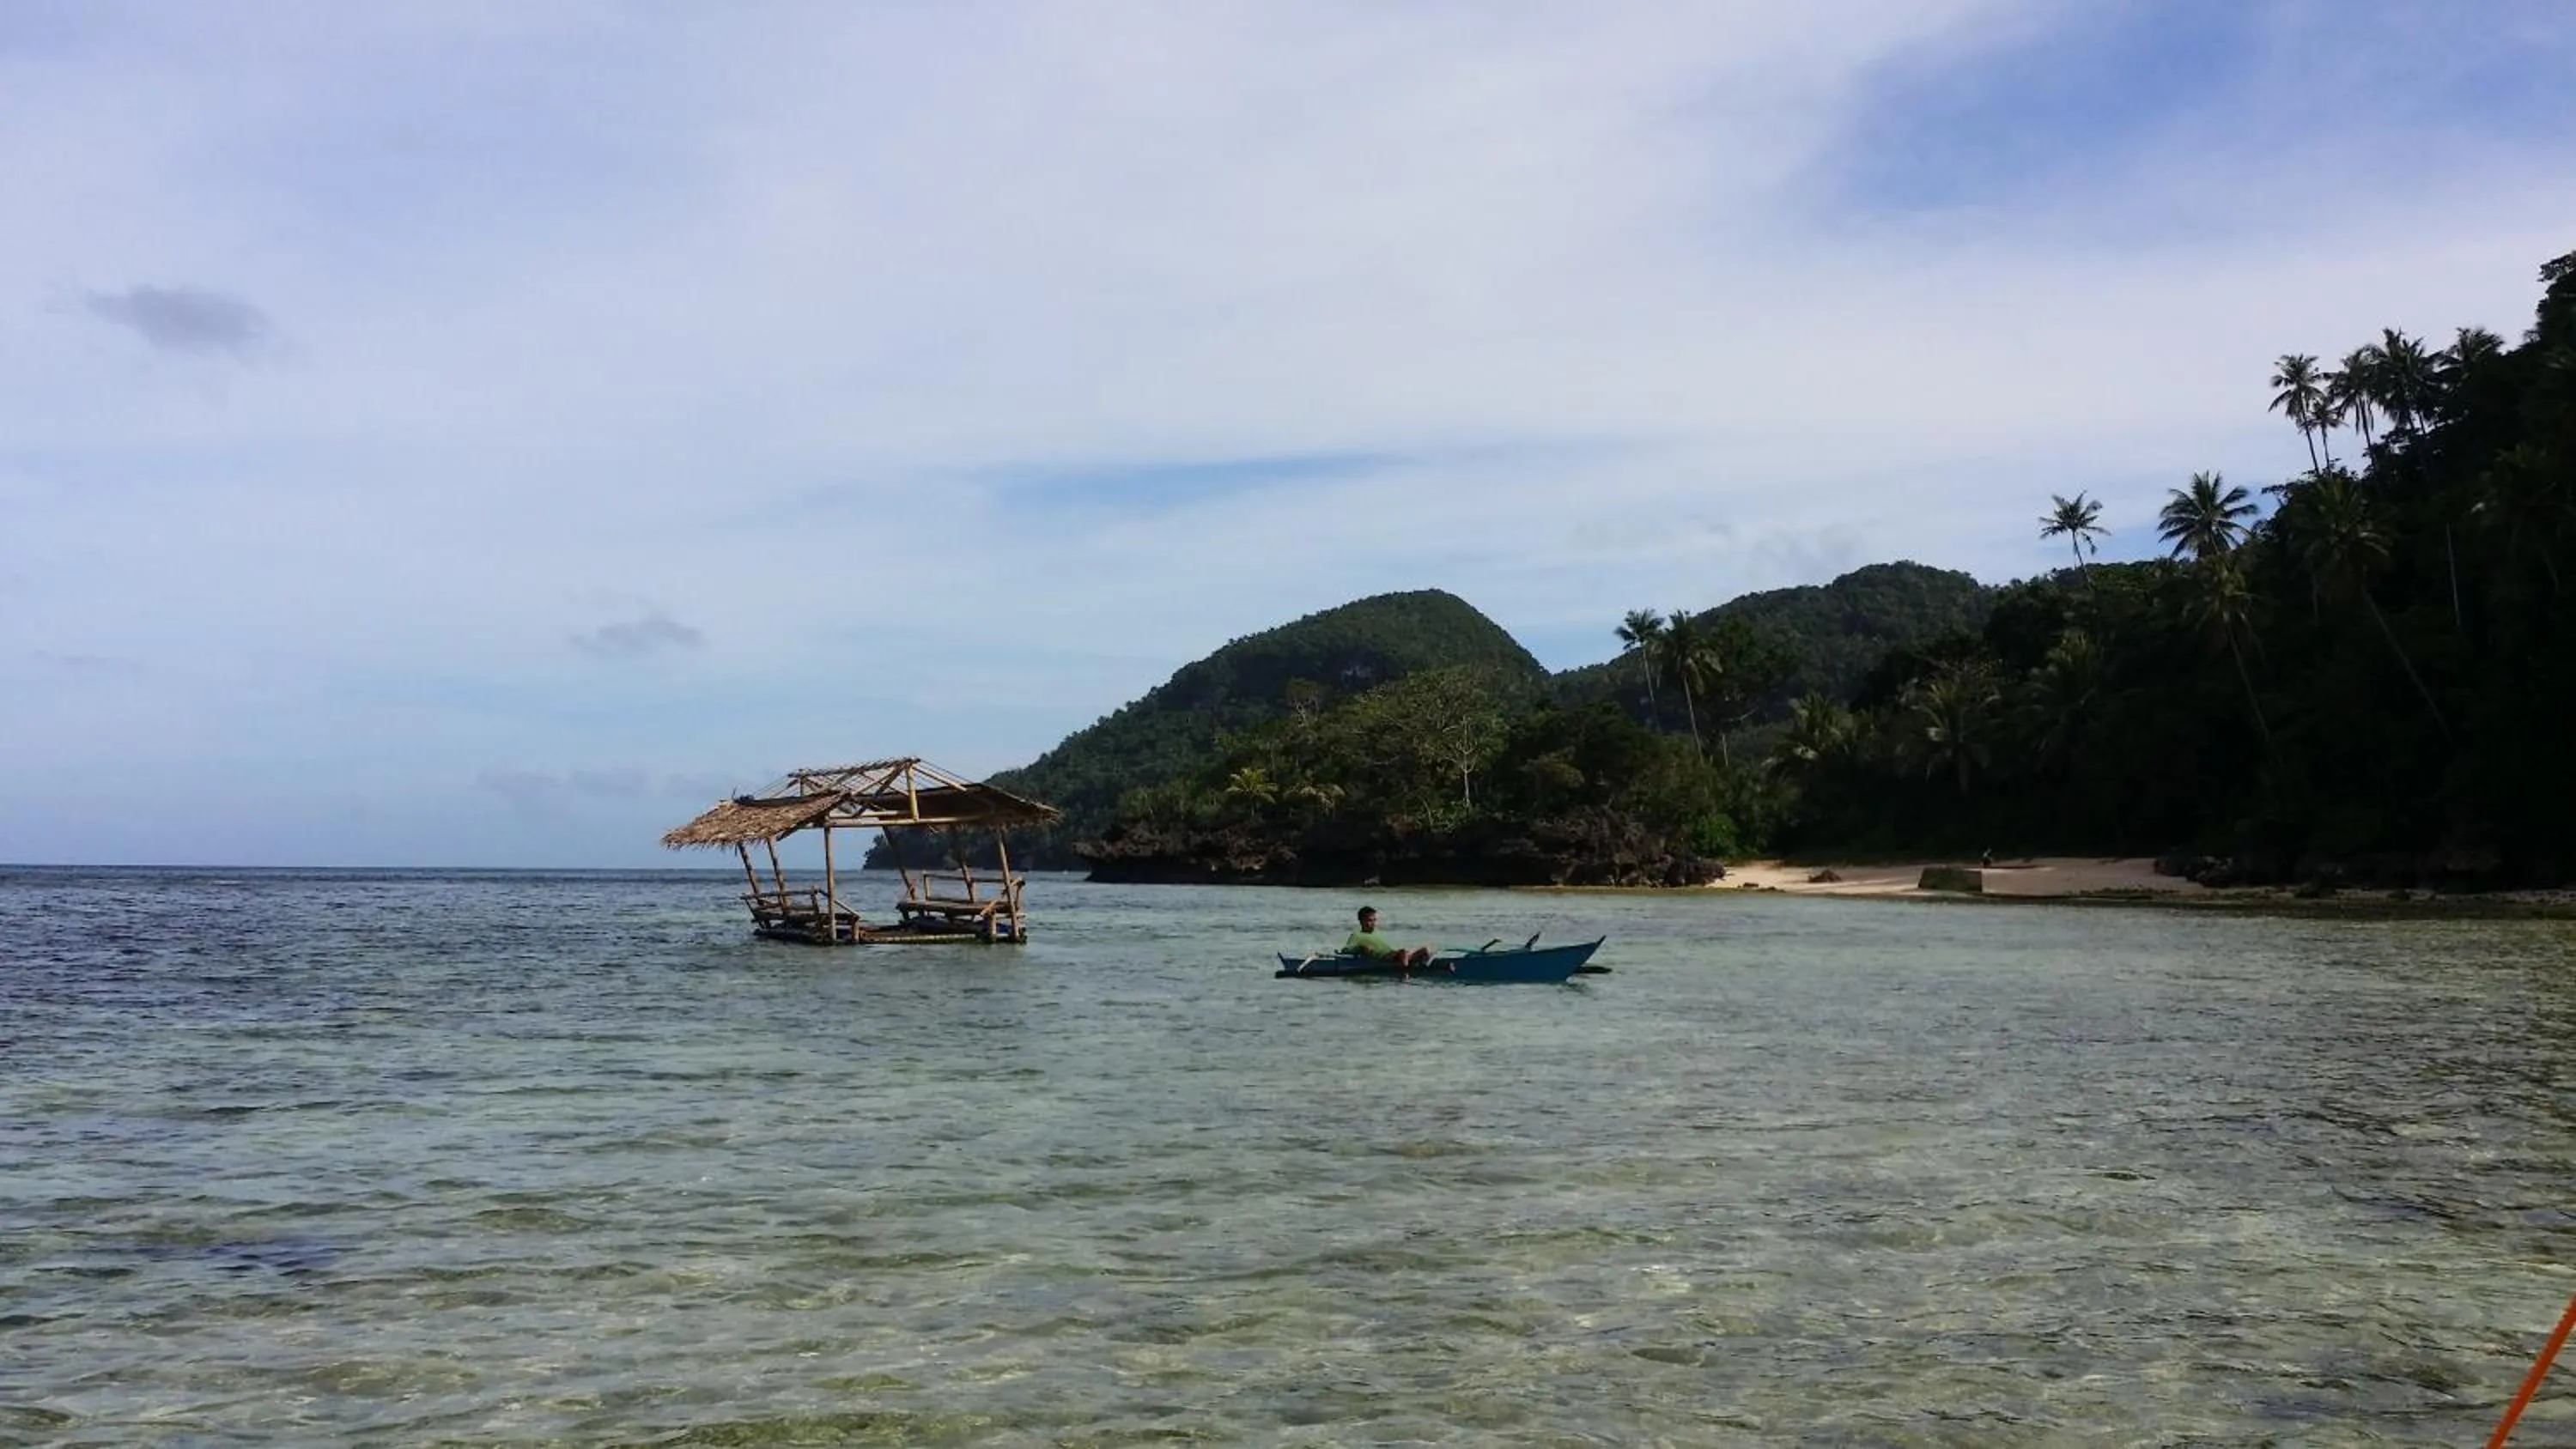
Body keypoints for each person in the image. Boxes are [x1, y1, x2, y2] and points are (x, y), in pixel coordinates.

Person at [1346, 906, 1437, 971]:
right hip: (1382, 958)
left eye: (1374, 920)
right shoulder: (1357, 935)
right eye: (1370, 920)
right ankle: (1405, 974)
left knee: (1426, 949)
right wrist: (1361, 948)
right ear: (1361, 921)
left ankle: (1422, 966)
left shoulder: (1377, 933)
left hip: (1392, 955)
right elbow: (1346, 949)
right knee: (1403, 952)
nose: (1373, 923)